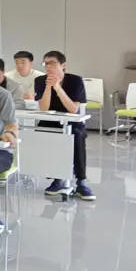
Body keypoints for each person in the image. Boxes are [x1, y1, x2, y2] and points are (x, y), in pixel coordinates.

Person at [35, 51, 94, 200]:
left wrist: (57, 88)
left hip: (73, 121)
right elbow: (44, 108)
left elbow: (73, 109)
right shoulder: (40, 80)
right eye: (46, 64)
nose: (48, 67)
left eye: (52, 63)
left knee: (77, 136)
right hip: (50, 121)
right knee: (42, 133)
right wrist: (48, 87)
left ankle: (81, 182)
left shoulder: (75, 81)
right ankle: (57, 178)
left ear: (63, 65)